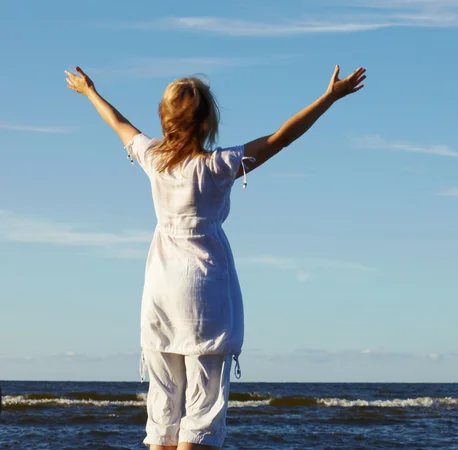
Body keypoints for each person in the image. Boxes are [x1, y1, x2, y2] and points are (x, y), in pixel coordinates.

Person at [65, 64, 366, 450]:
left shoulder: (154, 159)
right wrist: (329, 97)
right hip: (204, 290)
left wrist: (90, 92)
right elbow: (280, 139)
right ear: (208, 122)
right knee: (202, 409)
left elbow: (119, 124)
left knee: (163, 407)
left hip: (160, 290)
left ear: (165, 118)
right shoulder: (219, 165)